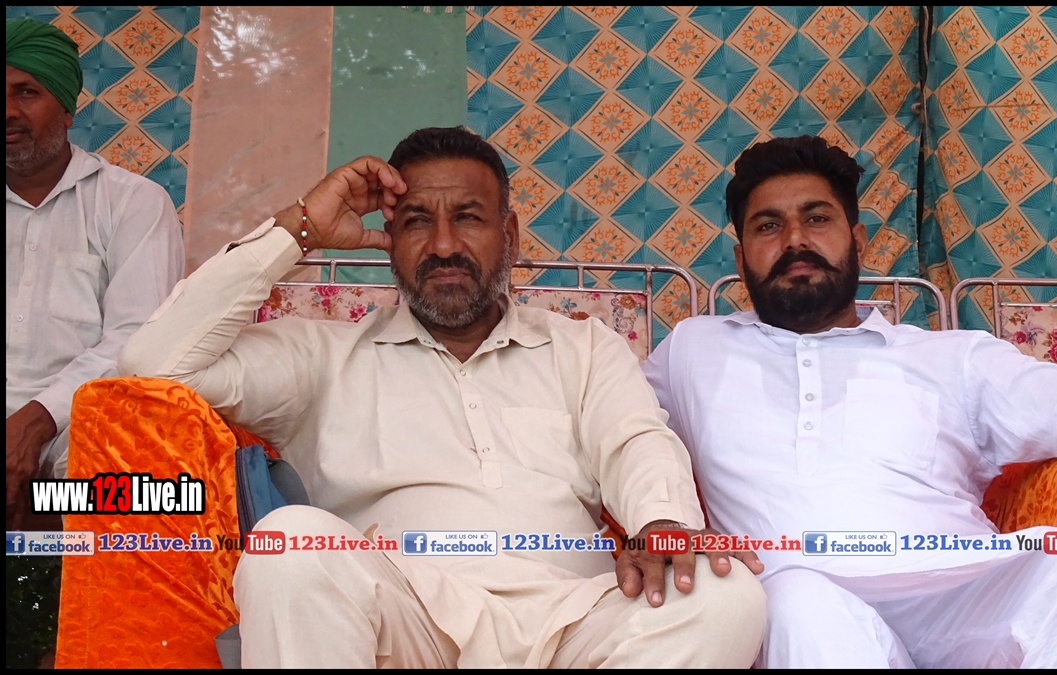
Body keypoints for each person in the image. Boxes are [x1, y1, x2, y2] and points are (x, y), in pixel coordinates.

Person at [118, 126, 767, 668]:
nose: (445, 245)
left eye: (469, 218)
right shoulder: (321, 355)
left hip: (574, 623)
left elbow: (636, 440)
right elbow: (154, 362)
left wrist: (661, 522)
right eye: (417, 222)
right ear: (389, 240)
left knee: (723, 595)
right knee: (289, 543)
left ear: (510, 235)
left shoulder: (581, 346)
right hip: (403, 621)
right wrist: (301, 229)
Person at [642, 135, 1057, 669]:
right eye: (768, 226)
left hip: (958, 592)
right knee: (799, 604)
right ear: (741, 260)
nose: (794, 241)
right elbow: (613, 430)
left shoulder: (953, 356)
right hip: (800, 592)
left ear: (858, 240)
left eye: (817, 218)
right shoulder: (694, 349)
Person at [6, 18, 185, 528]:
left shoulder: (133, 202)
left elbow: (138, 341)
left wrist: (36, 420)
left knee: (142, 495)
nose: (7, 111)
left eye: (26, 92)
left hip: (83, 426)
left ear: (67, 108)